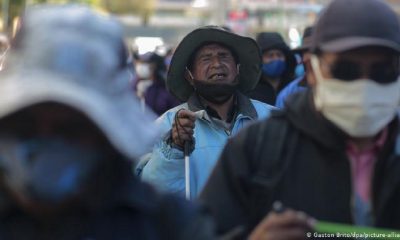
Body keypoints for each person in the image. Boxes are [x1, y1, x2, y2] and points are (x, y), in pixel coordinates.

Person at [0, 5, 216, 239]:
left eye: (70, 128)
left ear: (105, 136)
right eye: (25, 125)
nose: (46, 141)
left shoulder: (171, 226)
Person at [200, 0, 400, 239]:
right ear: (312, 69)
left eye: (383, 72)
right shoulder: (257, 148)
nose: (364, 86)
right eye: (345, 71)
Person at [141, 26, 275, 198]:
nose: (217, 64)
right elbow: (152, 192)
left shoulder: (271, 119)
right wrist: (174, 147)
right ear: (190, 76)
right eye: (206, 59)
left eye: (223, 56)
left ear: (238, 69)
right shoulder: (165, 126)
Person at [246, 32, 296, 105]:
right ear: (259, 60)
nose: (275, 59)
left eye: (279, 55)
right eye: (270, 56)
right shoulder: (250, 91)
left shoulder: (294, 87)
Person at [275, 26, 313, 108]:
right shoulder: (288, 93)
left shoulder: (342, 89)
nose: (307, 58)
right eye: (304, 53)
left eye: (313, 52)